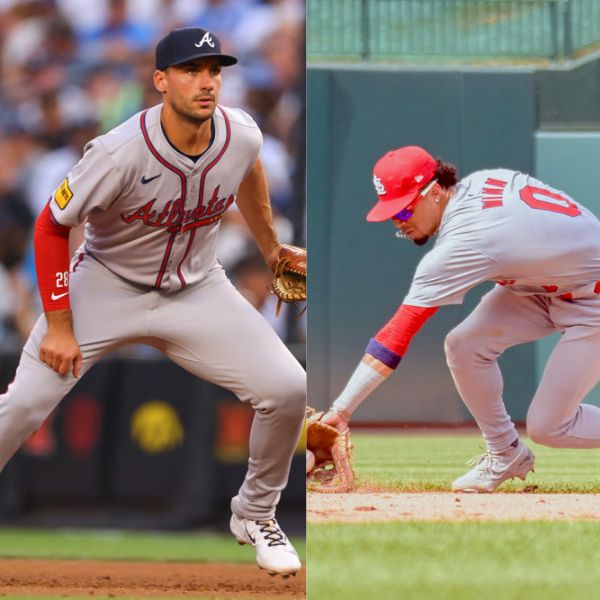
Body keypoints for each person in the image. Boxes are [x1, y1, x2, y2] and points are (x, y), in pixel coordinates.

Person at [0, 27, 305, 576]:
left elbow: (248, 173)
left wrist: (271, 248)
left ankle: (255, 512)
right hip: (107, 285)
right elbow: (51, 226)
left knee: (286, 388)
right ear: (161, 81)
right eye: (191, 70)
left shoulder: (241, 134)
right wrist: (61, 323)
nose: (206, 81)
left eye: (214, 70)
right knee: (22, 405)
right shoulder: (118, 152)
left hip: (197, 288)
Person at [322, 145, 600, 493]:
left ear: (435, 192)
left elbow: (397, 335)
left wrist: (341, 410)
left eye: (404, 210)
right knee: (464, 345)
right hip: (546, 286)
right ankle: (505, 453)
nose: (398, 221)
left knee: (549, 427)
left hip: (592, 300)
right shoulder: (484, 180)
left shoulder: (465, 241)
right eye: (391, 213)